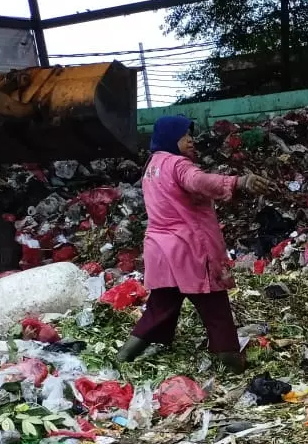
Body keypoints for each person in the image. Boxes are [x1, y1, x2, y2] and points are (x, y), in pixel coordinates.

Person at [116, 115, 270, 370]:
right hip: (189, 250)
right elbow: (198, 181)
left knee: (159, 308)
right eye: (184, 135)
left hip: (160, 251)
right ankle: (232, 361)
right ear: (169, 137)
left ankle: (123, 358)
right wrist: (237, 182)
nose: (191, 141)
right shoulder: (178, 165)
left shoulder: (152, 166)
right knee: (215, 307)